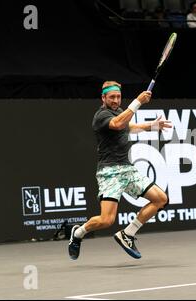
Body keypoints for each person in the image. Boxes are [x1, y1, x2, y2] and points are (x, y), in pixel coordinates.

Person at [68, 81, 172, 260]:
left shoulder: (119, 112)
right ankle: (78, 233)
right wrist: (138, 101)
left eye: (118, 96)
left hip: (127, 169)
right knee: (106, 220)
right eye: (112, 97)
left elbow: (128, 127)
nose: (116, 100)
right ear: (103, 98)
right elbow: (117, 124)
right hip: (109, 172)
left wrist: (152, 126)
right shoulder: (101, 116)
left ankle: (128, 234)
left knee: (161, 199)